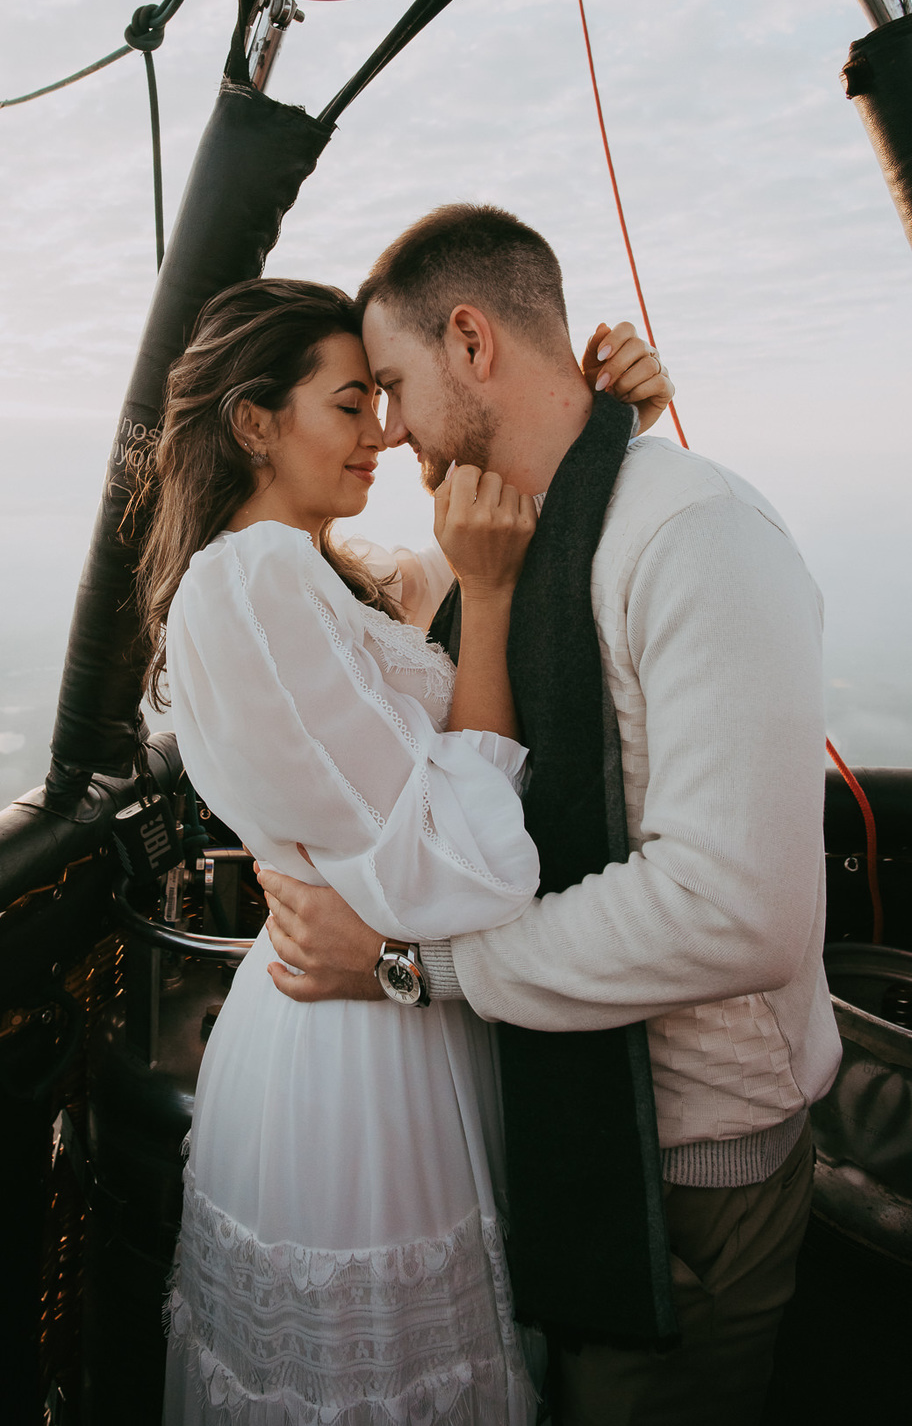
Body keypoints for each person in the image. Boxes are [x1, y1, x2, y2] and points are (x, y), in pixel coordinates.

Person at [260, 204, 841, 1426]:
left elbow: (733, 909)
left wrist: (412, 965)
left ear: (473, 341)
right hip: (545, 1136)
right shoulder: (510, 552)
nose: (391, 429)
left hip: (681, 1176)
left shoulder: (697, 538)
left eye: (395, 386)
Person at [137, 274, 674, 1426]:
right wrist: (489, 595)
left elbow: (492, 539)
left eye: (384, 402)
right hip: (356, 1055)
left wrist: (601, 427)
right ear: (254, 422)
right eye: (351, 405)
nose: (382, 434)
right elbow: (462, 858)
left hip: (372, 1007)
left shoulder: (321, 576)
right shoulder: (257, 579)